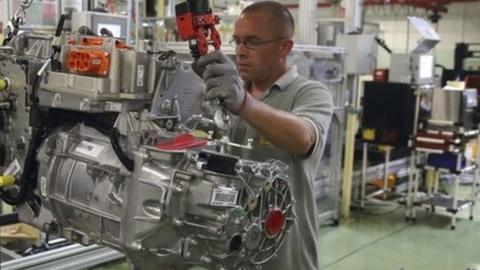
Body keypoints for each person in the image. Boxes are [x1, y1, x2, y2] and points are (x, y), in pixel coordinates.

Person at [195, 1, 334, 269]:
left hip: (282, 253)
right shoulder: (225, 92)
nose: (240, 52)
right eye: (237, 42)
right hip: (227, 246)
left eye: (253, 42)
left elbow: (303, 137)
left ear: (285, 47)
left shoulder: (310, 93)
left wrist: (243, 103)